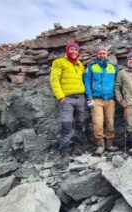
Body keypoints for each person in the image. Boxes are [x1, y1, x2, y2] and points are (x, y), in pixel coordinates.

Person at [50, 41, 85, 169]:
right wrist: (61, 97)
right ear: (67, 51)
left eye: (76, 50)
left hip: (80, 97)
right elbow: (54, 80)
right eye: (71, 49)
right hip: (67, 99)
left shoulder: (80, 65)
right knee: (66, 125)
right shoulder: (59, 62)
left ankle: (77, 147)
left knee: (80, 123)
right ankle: (64, 153)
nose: (74, 52)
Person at [84, 45, 118, 155]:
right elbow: (87, 83)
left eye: (104, 53)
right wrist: (89, 97)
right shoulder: (91, 67)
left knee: (110, 123)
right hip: (96, 99)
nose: (102, 55)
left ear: (106, 54)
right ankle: (100, 145)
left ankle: (109, 144)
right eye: (100, 53)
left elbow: (117, 84)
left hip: (110, 99)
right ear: (97, 54)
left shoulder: (112, 68)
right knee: (98, 123)